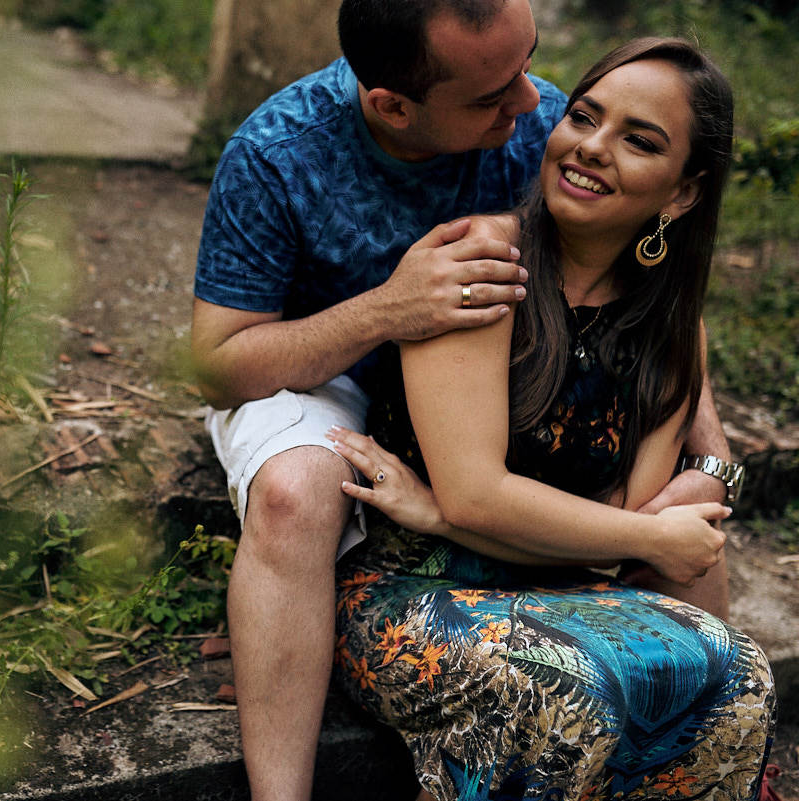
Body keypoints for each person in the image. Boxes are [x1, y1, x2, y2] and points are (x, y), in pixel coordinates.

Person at [191, 1, 742, 798]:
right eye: (493, 95)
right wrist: (389, 309)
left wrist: (715, 462)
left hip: (496, 372)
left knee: (690, 543)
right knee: (295, 491)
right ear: (392, 105)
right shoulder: (278, 154)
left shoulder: (553, 123)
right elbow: (218, 365)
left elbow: (658, 297)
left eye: (529, 65)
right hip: (323, 364)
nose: (532, 104)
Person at [326, 37, 774, 801]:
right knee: (569, 693)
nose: (592, 148)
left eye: (639, 140)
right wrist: (646, 536)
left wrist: (440, 509)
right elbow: (493, 497)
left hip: (566, 586)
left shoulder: (670, 320)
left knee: (741, 673)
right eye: (584, 117)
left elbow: (612, 510)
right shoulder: (480, 265)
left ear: (682, 193)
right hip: (409, 590)